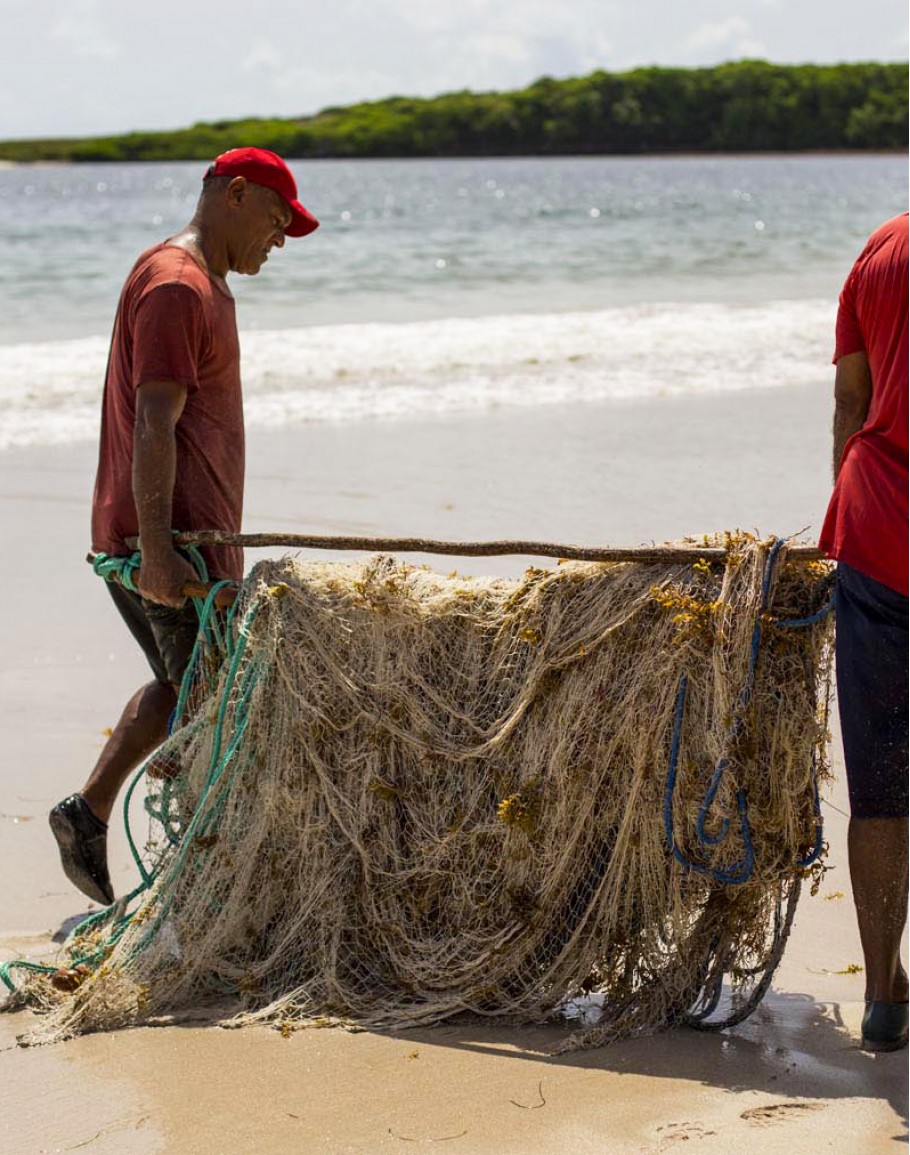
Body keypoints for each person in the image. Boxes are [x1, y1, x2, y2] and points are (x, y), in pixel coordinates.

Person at [49, 148, 319, 907]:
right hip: (165, 544)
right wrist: (162, 551)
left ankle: (89, 813)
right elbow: (154, 421)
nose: (279, 240)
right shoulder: (177, 284)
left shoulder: (203, 285)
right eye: (275, 221)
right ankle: (201, 889)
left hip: (188, 541)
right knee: (215, 696)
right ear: (235, 194)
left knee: (191, 687)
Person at [819, 212, 908, 1052]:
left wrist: (839, 520)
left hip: (878, 534)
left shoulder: (881, 249)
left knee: (881, 777)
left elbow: (853, 399)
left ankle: (882, 994)